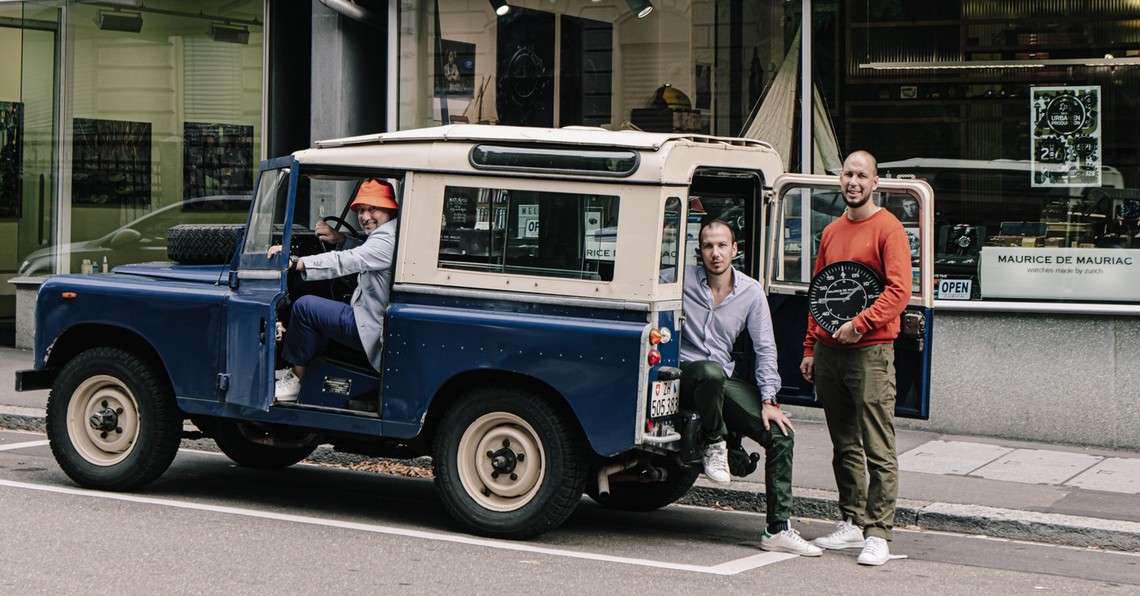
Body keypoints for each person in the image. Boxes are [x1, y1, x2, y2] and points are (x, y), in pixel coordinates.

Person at [680, 219, 822, 557]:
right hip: (685, 376)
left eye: (721, 245)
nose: (715, 253)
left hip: (720, 377)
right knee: (709, 372)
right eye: (708, 246)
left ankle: (777, 529)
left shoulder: (750, 291)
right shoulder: (681, 280)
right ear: (700, 251)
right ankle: (716, 443)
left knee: (781, 435)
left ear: (735, 249)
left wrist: (770, 399)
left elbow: (765, 347)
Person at [800, 150, 912, 566]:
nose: (853, 182)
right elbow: (820, 293)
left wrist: (861, 324)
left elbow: (899, 291)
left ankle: (879, 533)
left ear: (875, 183)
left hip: (871, 353)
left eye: (862, 176)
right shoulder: (830, 232)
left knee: (877, 447)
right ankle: (852, 520)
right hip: (830, 352)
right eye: (848, 174)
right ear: (840, 179)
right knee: (843, 443)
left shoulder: (889, 229)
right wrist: (811, 347)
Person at [267, 179, 399, 401]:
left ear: (389, 208)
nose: (365, 216)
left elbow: (345, 261)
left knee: (305, 307)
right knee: (322, 304)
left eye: (373, 208)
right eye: (362, 210)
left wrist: (297, 262)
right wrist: (341, 239)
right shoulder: (390, 232)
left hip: (372, 325)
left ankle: (297, 381)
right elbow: (365, 253)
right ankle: (303, 370)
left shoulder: (387, 238)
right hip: (372, 314)